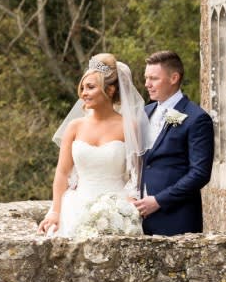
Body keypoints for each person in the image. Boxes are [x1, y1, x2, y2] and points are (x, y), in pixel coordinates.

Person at [38, 54, 150, 238]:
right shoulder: (74, 127)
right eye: (82, 88)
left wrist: (128, 205)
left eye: (90, 87)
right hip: (75, 206)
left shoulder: (130, 127)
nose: (84, 93)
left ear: (110, 90)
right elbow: (62, 173)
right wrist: (55, 212)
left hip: (117, 207)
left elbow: (136, 175)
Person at [131, 50, 214, 235]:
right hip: (139, 219)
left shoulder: (197, 118)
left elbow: (200, 173)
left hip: (176, 218)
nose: (147, 84)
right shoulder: (145, 113)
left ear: (174, 78)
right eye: (146, 78)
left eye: (154, 78)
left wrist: (159, 201)